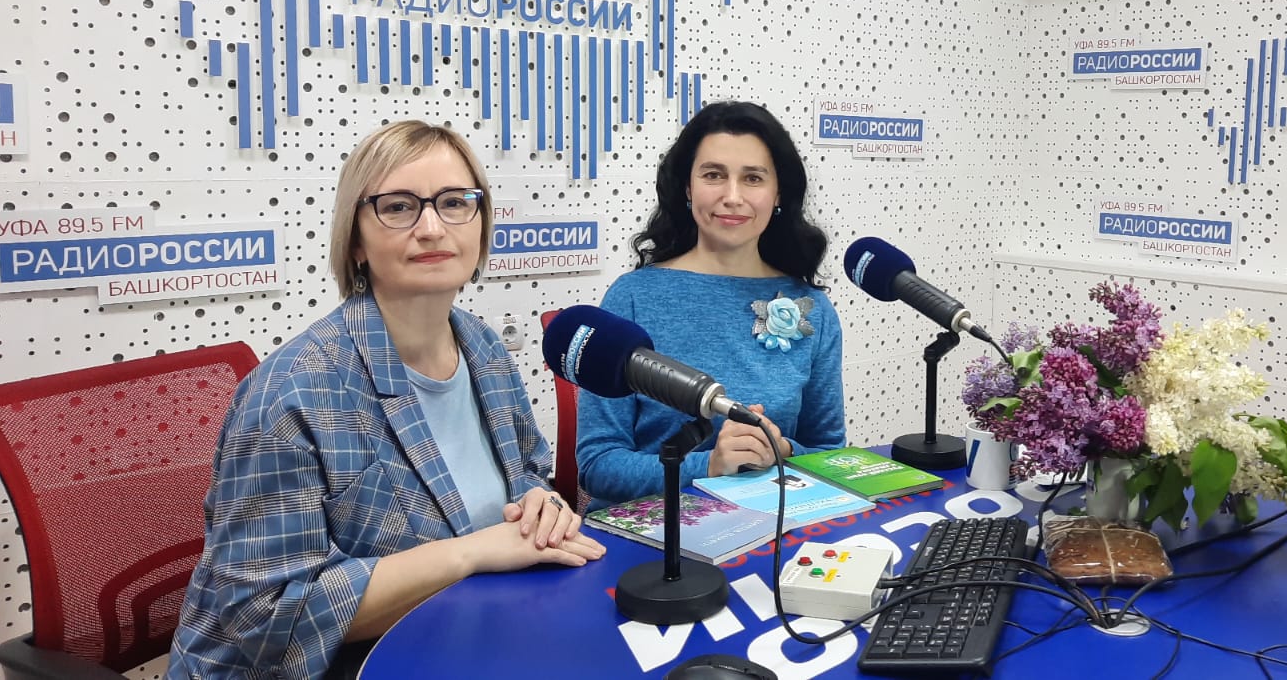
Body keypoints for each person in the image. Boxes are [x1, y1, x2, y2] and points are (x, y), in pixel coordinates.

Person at [168, 121, 605, 680]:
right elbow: (268, 618)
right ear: (355, 241)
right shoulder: (292, 391)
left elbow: (524, 471)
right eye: (398, 207)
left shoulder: (483, 346)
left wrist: (538, 503)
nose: (432, 227)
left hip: (452, 637)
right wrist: (471, 553)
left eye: (454, 203)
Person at [576, 101, 847, 508]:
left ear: (778, 193)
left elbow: (830, 455)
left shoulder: (813, 309)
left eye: (753, 178)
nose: (732, 197)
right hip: (654, 534)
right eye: (713, 175)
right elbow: (598, 466)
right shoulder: (631, 298)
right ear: (688, 187)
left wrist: (783, 451)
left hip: (771, 526)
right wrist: (709, 466)